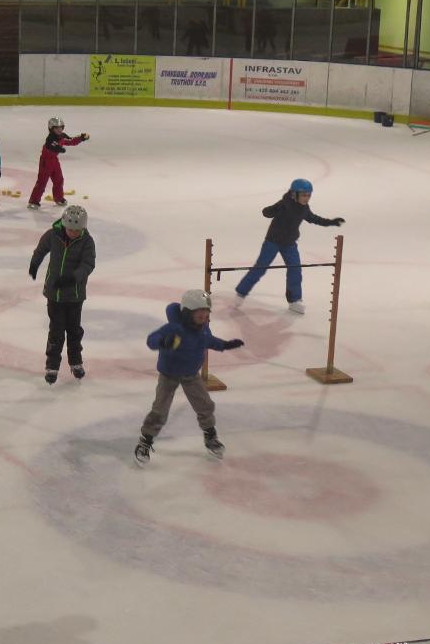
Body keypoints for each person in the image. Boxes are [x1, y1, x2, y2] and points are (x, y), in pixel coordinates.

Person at [135, 290, 244, 466]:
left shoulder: (203, 329)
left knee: (205, 405)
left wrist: (226, 345)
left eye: (206, 315)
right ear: (187, 313)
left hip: (191, 375)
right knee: (160, 410)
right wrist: (163, 342)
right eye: (200, 315)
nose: (204, 318)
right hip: (169, 374)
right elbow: (151, 340)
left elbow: (210, 341)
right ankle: (145, 441)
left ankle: (210, 436)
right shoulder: (175, 328)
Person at [234, 178, 344, 314]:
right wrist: (275, 209)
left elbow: (314, 218)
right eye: (303, 195)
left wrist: (331, 222)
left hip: (290, 244)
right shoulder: (284, 204)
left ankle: (294, 300)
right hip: (272, 242)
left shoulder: (304, 208)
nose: (306, 198)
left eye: (309, 195)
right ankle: (241, 292)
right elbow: (266, 212)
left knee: (295, 270)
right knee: (260, 268)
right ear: (294, 194)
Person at [29, 205, 95, 384]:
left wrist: (72, 278)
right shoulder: (53, 235)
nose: (73, 233)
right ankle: (52, 365)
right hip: (55, 295)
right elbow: (41, 249)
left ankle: (76, 362)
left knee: (74, 330)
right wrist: (34, 264)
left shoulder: (87, 242)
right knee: (56, 331)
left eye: (77, 230)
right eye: (70, 229)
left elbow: (88, 265)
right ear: (64, 225)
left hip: (74, 296)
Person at [28, 117, 90, 209]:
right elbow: (51, 146)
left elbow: (71, 141)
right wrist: (59, 148)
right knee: (42, 181)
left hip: (54, 161)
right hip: (46, 161)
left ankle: (59, 198)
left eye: (61, 127)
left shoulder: (62, 136)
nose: (59, 130)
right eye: (57, 128)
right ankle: (33, 201)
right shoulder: (50, 138)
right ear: (51, 129)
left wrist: (81, 137)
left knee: (59, 179)